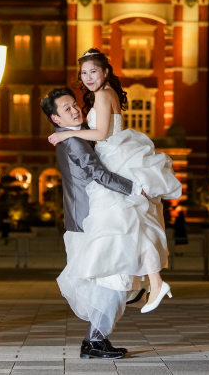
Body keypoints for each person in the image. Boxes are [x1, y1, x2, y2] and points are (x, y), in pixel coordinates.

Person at [48, 50, 182, 314]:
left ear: (105, 72)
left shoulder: (101, 94)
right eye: (83, 73)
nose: (87, 77)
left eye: (93, 71)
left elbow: (100, 133)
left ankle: (146, 282)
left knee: (123, 225)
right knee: (133, 226)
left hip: (113, 158)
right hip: (118, 154)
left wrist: (64, 136)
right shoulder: (107, 93)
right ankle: (150, 282)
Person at [41, 87, 155, 360]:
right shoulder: (75, 141)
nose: (74, 109)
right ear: (56, 119)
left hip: (85, 218)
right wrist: (134, 188)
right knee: (110, 280)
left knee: (107, 278)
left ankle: (97, 338)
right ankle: (93, 341)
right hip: (91, 221)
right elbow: (98, 174)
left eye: (74, 104)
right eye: (66, 109)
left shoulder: (73, 138)